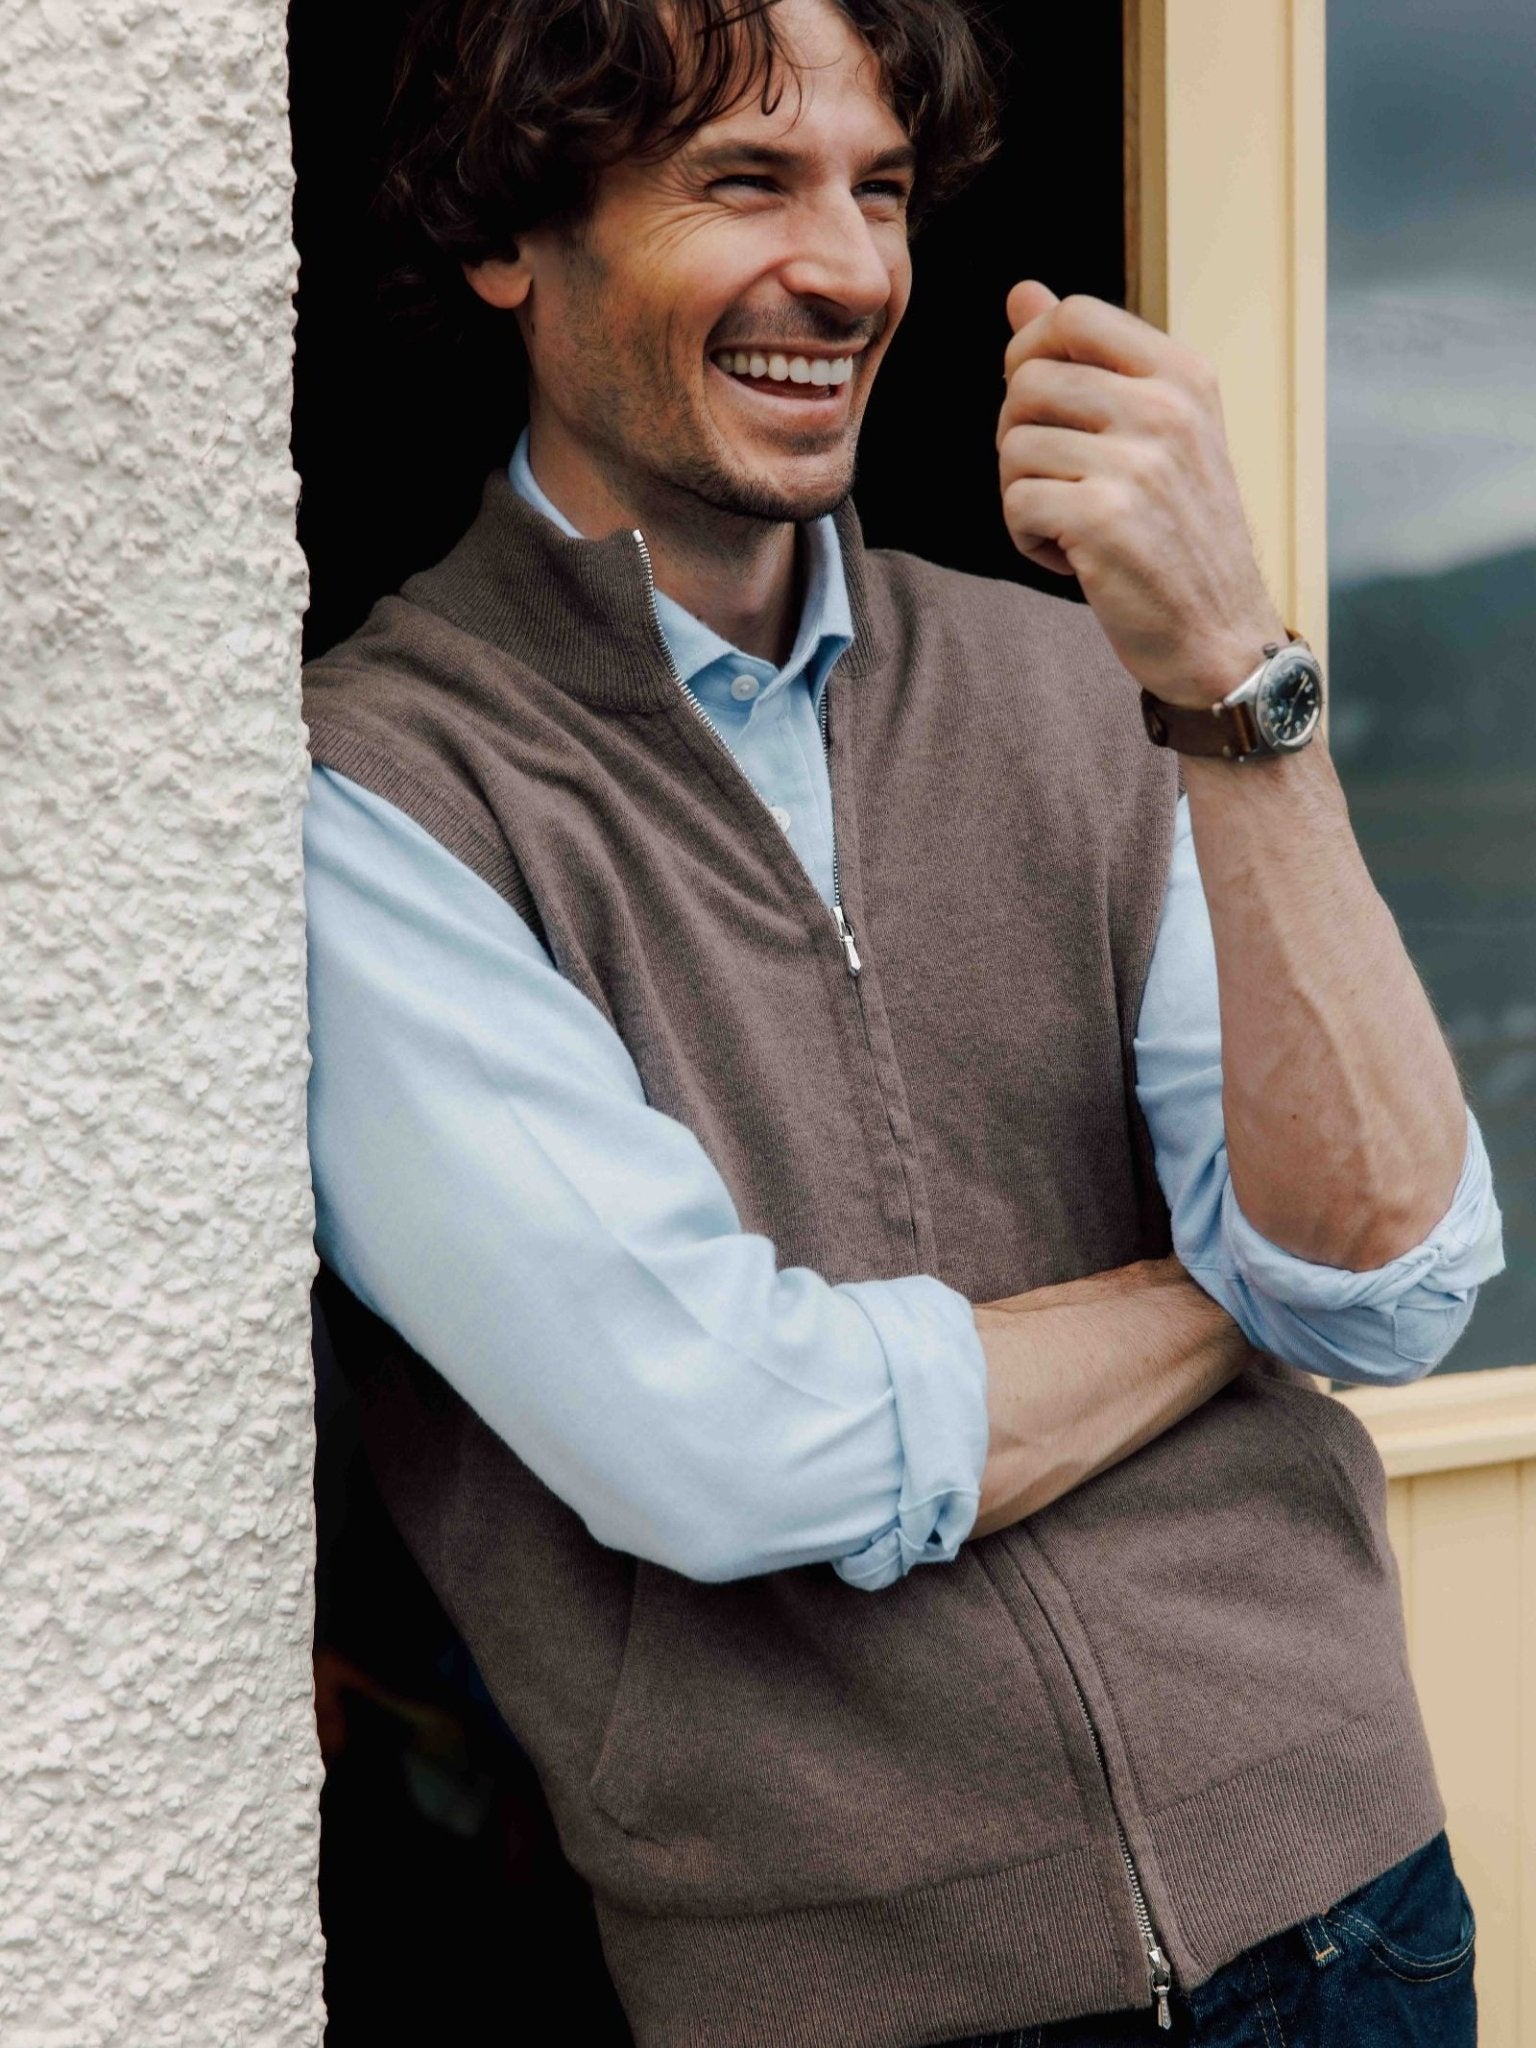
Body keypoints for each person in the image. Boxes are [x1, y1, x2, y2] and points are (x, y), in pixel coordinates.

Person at [301, 1, 1504, 2041]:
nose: (852, 268)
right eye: (747, 182)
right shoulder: (380, 800)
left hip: (1353, 1917)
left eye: (878, 189)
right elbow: (730, 1441)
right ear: (515, 236)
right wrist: (1223, 1292)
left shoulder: (1086, 691)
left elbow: (1393, 1281)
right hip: (870, 2001)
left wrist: (1233, 676)